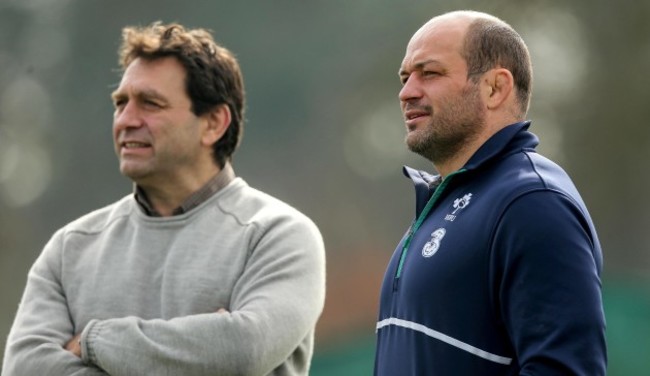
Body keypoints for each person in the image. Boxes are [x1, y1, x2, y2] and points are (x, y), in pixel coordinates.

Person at [3, 22, 325, 376]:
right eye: (120, 103)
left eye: (150, 104)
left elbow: (244, 350)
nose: (125, 120)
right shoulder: (70, 248)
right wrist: (198, 348)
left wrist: (94, 342)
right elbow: (24, 367)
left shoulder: (278, 234)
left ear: (214, 123)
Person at [374, 10, 606, 375]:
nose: (406, 92)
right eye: (405, 77)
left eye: (429, 73)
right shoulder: (446, 203)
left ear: (495, 87)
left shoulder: (533, 202)